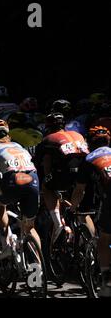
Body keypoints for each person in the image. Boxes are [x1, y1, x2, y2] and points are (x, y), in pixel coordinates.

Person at [0, 120, 42, 257]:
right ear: (8, 135)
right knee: (30, 227)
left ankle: (5, 239)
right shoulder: (19, 146)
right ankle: (39, 266)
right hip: (33, 179)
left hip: (13, 180)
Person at [35, 112, 89, 246]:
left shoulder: (48, 139)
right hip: (86, 172)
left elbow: (40, 162)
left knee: (46, 187)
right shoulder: (78, 135)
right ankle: (90, 242)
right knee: (83, 210)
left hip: (64, 174)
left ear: (48, 127)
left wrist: (45, 178)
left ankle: (58, 223)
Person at [69, 126, 111, 297]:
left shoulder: (89, 159)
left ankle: (107, 282)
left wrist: (72, 208)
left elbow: (79, 190)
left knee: (104, 238)